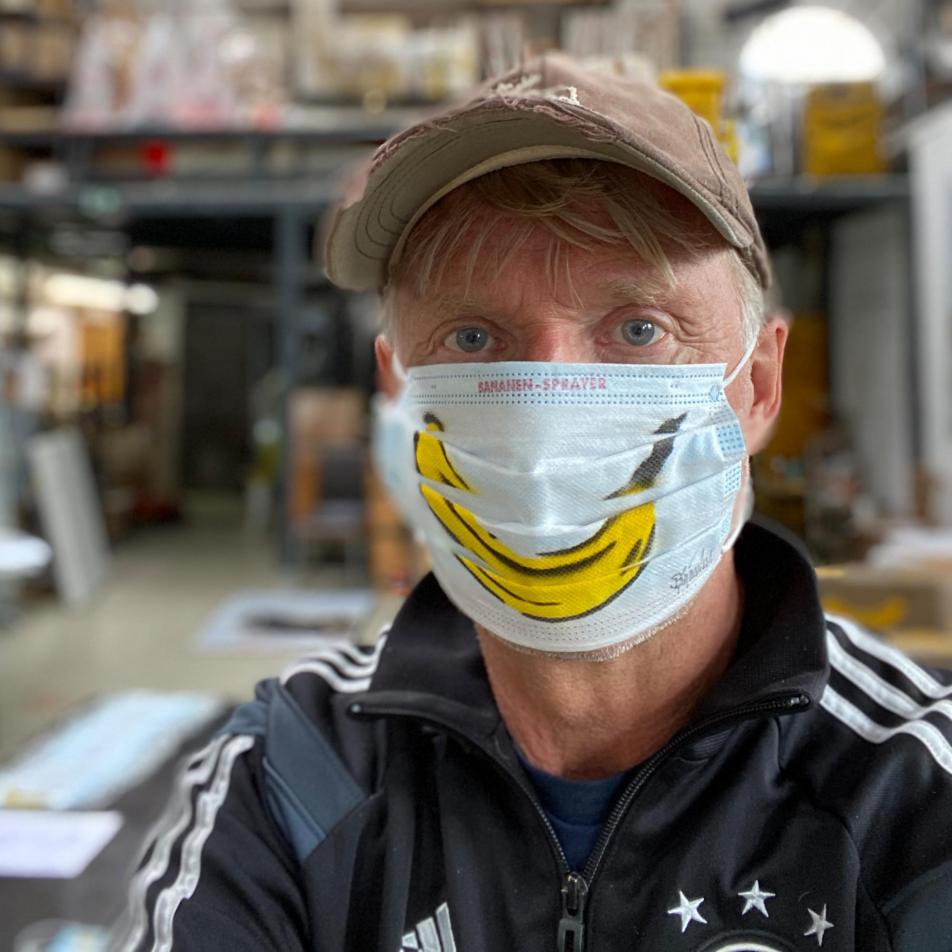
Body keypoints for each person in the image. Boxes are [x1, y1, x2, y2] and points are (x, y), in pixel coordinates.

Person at [114, 54, 952, 952]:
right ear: (397, 393)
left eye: (639, 329)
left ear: (757, 385)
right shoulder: (289, 777)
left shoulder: (913, 795)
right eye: (474, 337)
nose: (544, 416)